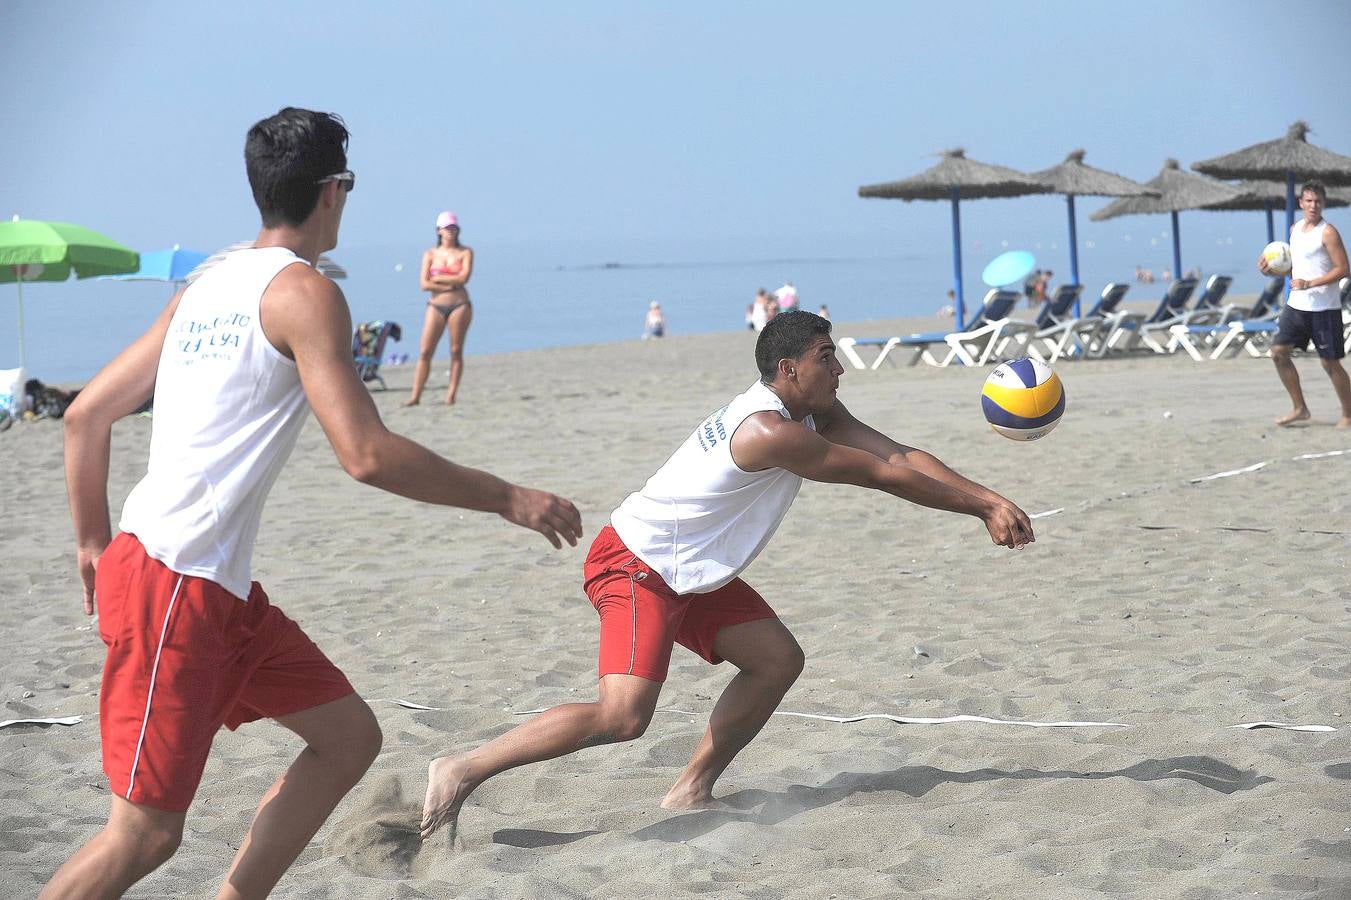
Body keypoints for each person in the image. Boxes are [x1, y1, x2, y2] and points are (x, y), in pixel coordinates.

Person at [43, 107, 582, 900]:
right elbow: (365, 454)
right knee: (146, 833)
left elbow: (87, 414)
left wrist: (92, 541)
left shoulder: (205, 283)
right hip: (175, 585)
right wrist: (506, 496)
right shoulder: (305, 294)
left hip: (204, 584)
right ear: (334, 191)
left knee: (346, 738)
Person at [420, 309, 1034, 840]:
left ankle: (690, 789)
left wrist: (990, 497)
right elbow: (880, 476)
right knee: (623, 718)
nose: (839, 368)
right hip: (637, 562)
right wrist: (980, 508)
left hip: (692, 571)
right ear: (789, 369)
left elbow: (897, 454)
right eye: (827, 358)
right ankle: (461, 768)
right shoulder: (769, 430)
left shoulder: (811, 411)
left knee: (776, 661)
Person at [1260, 180, 1351, 428]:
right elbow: (1295, 270)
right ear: (1301, 203)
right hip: (1297, 306)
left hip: (1324, 309)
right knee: (1278, 353)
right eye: (1309, 201)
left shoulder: (1328, 232)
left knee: (1330, 363)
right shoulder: (1295, 229)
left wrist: (1310, 284)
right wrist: (1272, 272)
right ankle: (1300, 409)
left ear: (1324, 204)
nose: (1313, 205)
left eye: (1318, 201)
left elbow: (1344, 269)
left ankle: (1348, 415)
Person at [405, 211, 474, 407]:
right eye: (447, 228)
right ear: (439, 231)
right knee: (426, 350)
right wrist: (450, 283)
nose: (450, 232)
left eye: (453, 228)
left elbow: (464, 278)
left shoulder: (465, 252)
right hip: (436, 305)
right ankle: (415, 395)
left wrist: (439, 279)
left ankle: (451, 395)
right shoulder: (430, 254)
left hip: (460, 305)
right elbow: (424, 284)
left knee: (456, 349)